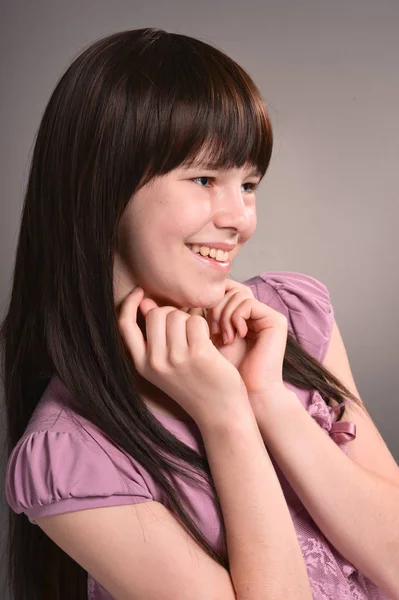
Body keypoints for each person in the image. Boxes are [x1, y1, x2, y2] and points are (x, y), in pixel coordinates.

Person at [1, 27, 398, 600]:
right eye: (205, 179)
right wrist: (225, 416)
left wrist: (269, 400)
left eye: (249, 184)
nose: (239, 218)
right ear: (102, 187)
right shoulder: (74, 453)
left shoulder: (287, 318)